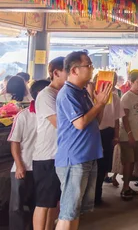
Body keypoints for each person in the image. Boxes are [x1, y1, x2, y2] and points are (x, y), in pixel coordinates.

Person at [55, 51, 112, 230]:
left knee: (77, 211)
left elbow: (96, 121)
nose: (92, 69)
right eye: (88, 65)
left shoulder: (82, 92)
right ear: (74, 70)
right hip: (74, 158)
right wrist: (99, 104)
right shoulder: (67, 93)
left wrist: (100, 103)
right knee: (68, 212)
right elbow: (80, 123)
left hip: (87, 155)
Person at [32, 57, 67, 230]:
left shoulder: (61, 93)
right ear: (56, 73)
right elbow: (61, 124)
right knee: (44, 203)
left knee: (54, 202)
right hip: (46, 156)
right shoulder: (46, 95)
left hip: (58, 155)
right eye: (69, 71)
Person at [8, 79, 45, 230]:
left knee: (38, 205)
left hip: (43, 166)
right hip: (23, 166)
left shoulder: (53, 115)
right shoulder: (23, 116)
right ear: (39, 95)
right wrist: (19, 166)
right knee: (17, 207)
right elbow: (15, 142)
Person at [95, 73, 124, 205]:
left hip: (108, 133)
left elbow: (117, 119)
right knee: (92, 165)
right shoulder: (92, 95)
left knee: (103, 164)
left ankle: (97, 194)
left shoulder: (115, 98)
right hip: (94, 133)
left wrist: (116, 135)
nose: (111, 84)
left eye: (114, 81)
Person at [118, 69, 138, 200]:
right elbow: (124, 118)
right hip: (127, 135)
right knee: (128, 162)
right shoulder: (126, 97)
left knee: (134, 161)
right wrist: (129, 134)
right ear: (131, 82)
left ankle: (128, 187)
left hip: (137, 133)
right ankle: (125, 188)